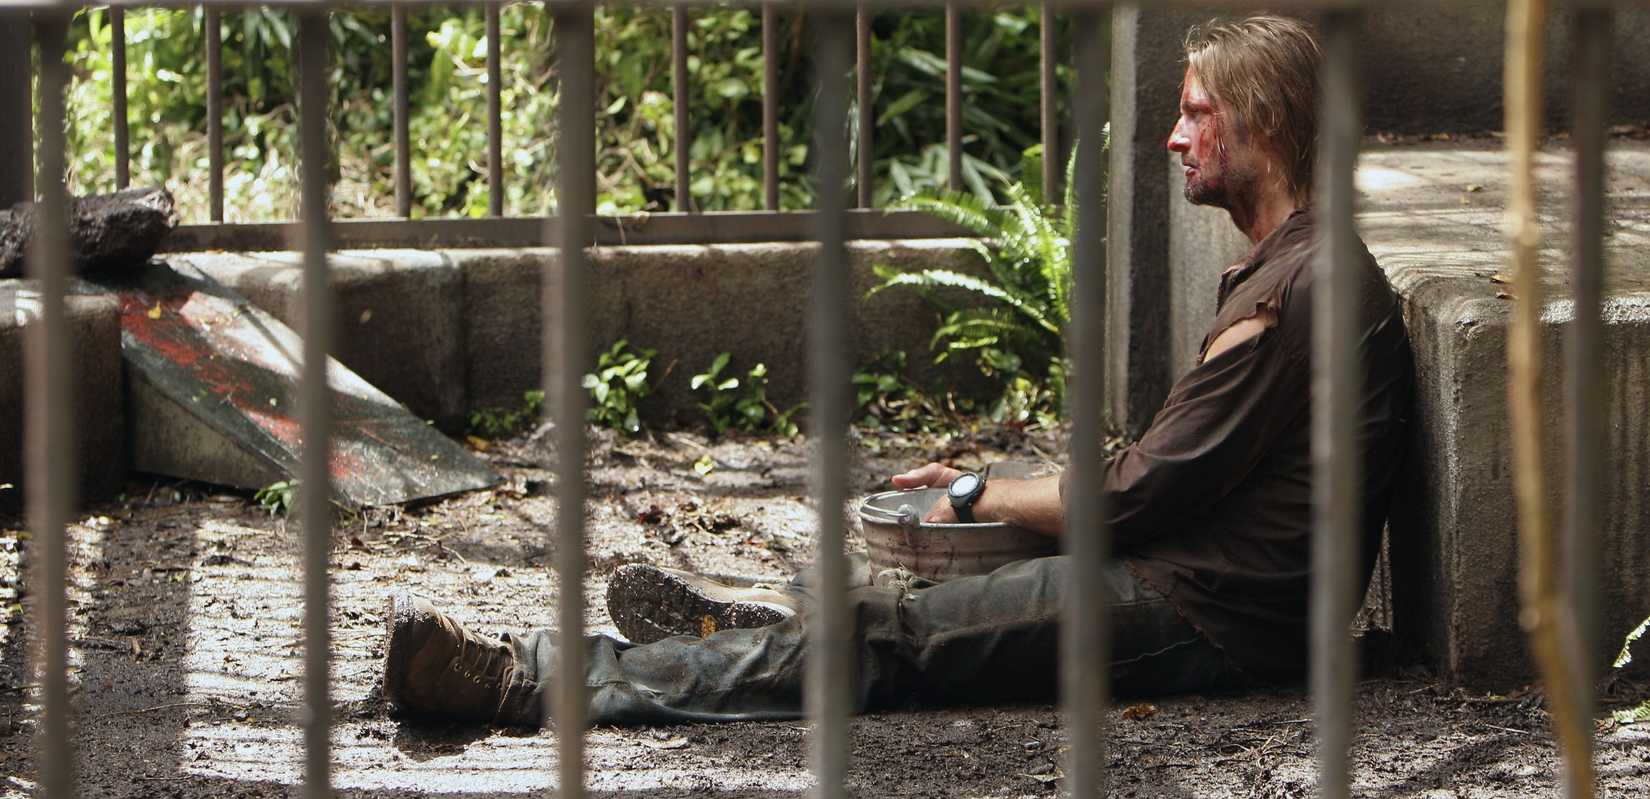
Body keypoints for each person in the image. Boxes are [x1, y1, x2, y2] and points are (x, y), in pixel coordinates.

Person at [381, 14, 1412, 727]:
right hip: (1200, 587)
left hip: (1203, 612)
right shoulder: (1297, 267)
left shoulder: (1303, 286)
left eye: (1197, 112)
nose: (1173, 135)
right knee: (889, 612)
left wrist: (977, 492)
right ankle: (746, 639)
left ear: (1263, 120)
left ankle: (524, 679)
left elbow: (1140, 493)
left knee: (889, 641)